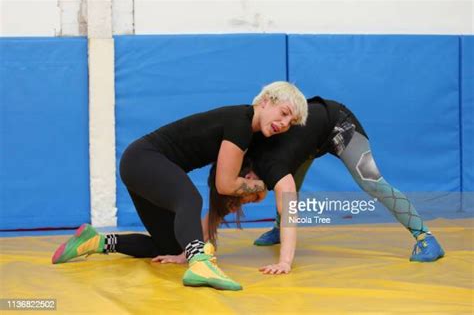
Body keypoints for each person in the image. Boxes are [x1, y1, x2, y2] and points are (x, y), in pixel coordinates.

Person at [51, 81, 308, 291]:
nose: (285, 124)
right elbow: (225, 184)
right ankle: (199, 263)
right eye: (284, 113)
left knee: (171, 247)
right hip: (144, 158)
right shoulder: (241, 122)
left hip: (139, 166)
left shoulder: (246, 132)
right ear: (265, 101)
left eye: (291, 123)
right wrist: (264, 186)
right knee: (190, 200)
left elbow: (227, 185)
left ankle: (95, 242)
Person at [207, 96, 445, 275]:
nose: (250, 201)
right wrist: (193, 248)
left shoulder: (271, 166)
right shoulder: (242, 158)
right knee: (290, 183)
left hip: (338, 123)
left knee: (371, 182)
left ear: (248, 178)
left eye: (246, 198)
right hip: (307, 139)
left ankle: (426, 238)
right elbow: (225, 190)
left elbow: (288, 205)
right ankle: (279, 230)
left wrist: (284, 262)